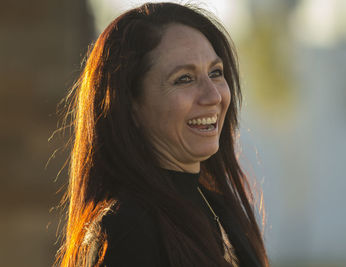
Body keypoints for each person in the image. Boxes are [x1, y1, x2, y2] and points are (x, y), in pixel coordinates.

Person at [55, 2, 269, 267]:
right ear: (130, 104)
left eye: (215, 73)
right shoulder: (126, 230)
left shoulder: (219, 209)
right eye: (184, 79)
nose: (213, 95)